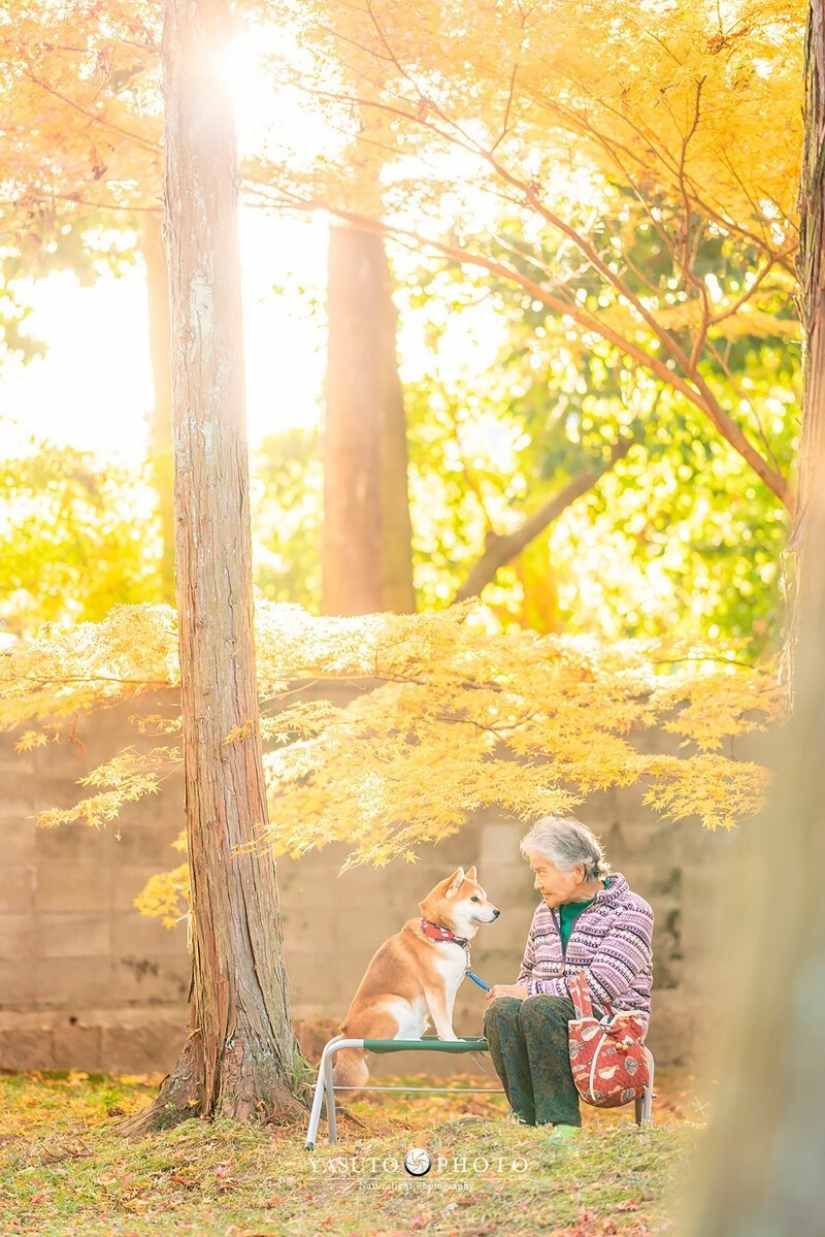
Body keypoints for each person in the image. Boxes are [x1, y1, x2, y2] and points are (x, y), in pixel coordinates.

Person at [483, 814, 653, 1137]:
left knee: (538, 1006)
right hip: (548, 1016)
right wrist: (512, 993)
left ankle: (561, 1127)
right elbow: (526, 977)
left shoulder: (631, 911)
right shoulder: (543, 914)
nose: (536, 883)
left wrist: (524, 992)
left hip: (610, 1025)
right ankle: (526, 1122)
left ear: (576, 871)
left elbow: (600, 986)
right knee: (501, 1011)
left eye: (541, 872)